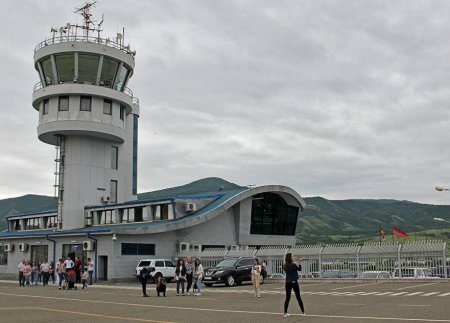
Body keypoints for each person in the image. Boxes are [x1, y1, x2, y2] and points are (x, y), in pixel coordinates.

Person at [283, 253, 305, 317]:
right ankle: (303, 312)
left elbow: (293, 265)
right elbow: (299, 269)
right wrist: (299, 262)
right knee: (298, 297)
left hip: (287, 283)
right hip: (294, 282)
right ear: (290, 258)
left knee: (287, 298)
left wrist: (298, 261)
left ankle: (285, 312)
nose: (293, 257)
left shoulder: (285, 265)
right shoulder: (293, 265)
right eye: (292, 256)